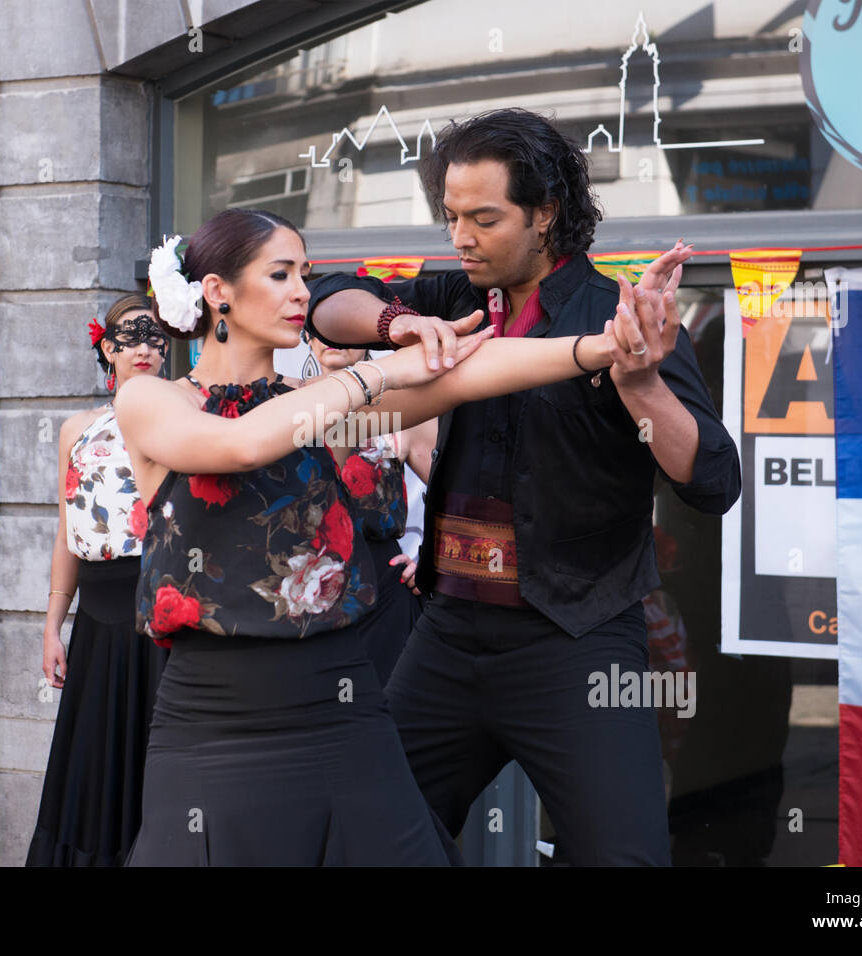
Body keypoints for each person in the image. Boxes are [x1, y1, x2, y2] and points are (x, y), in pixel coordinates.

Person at [113, 206, 665, 866]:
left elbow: (473, 373)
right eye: (282, 274)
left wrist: (608, 345)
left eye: (306, 275)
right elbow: (236, 445)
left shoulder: (322, 404)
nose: (301, 294)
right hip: (217, 725)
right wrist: (378, 370)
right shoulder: (154, 400)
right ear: (217, 293)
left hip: (342, 709)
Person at [304, 107, 741, 865]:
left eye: (483, 218)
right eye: (450, 217)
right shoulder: (449, 296)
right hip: (447, 633)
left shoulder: (620, 316)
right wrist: (394, 324)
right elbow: (327, 293)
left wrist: (640, 386)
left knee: (625, 858)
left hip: (578, 640)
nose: (460, 237)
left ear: (546, 215)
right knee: (361, 838)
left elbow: (712, 481)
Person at [26, 294, 170, 866]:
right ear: (106, 349)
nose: (143, 348)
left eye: (154, 336)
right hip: (100, 618)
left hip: (167, 610)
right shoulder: (77, 430)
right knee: (96, 761)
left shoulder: (190, 414)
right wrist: (51, 625)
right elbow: (68, 531)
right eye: (129, 338)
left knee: (159, 757)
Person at [304, 332, 435, 684]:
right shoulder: (286, 405)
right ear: (305, 336)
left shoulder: (403, 410)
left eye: (343, 329)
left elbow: (460, 489)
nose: (333, 338)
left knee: (384, 709)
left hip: (383, 586)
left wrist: (432, 558)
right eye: (322, 329)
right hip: (302, 584)